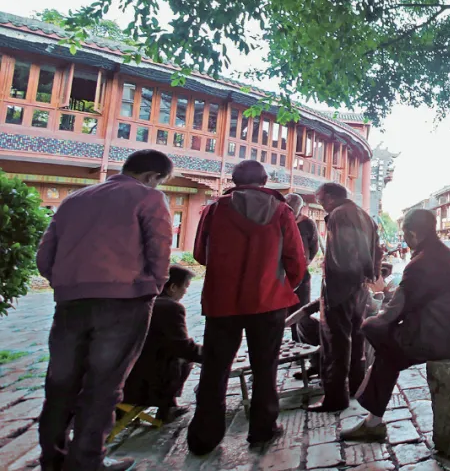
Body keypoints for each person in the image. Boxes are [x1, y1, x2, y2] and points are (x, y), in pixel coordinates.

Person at [36, 149, 174, 471]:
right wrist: (153, 285)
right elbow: (160, 249)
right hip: (124, 302)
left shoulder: (75, 199)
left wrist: (67, 283)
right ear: (152, 177)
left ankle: (52, 459)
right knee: (103, 386)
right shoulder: (149, 198)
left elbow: (45, 256)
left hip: (71, 303)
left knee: (60, 384)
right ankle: (87, 462)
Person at [187, 160, 307, 454]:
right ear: (265, 181)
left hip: (222, 301)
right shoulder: (281, 211)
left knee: (215, 368)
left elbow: (200, 254)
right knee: (265, 367)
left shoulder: (214, 209)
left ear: (234, 180)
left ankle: (204, 437)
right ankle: (263, 429)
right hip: (267, 301)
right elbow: (296, 259)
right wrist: (280, 285)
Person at [340, 209, 450, 441]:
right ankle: (372, 420)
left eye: (404, 234)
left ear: (412, 234)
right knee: (388, 351)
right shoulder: (443, 254)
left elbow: (393, 312)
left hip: (438, 339)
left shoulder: (420, 263)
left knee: (373, 331)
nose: (403, 239)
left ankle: (372, 421)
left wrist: (370, 320)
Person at [307, 183, 382, 412]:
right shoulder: (364, 215)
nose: (319, 203)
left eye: (320, 199)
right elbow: (377, 250)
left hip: (341, 287)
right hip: (360, 287)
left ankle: (335, 397)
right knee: (356, 337)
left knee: (335, 342)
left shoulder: (339, 215)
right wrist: (369, 276)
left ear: (330, 197)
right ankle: (356, 386)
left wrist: (335, 285)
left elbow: (342, 254)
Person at [123, 265, 202, 423]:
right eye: (185, 287)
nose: (185, 292)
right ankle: (167, 406)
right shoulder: (170, 307)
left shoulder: (136, 302)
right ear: (172, 287)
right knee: (184, 360)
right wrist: (214, 355)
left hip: (120, 377)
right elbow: (183, 348)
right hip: (143, 383)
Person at [285, 193, 322, 379]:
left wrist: (305, 262)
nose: (291, 209)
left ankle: (302, 350)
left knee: (301, 311)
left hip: (301, 273)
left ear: (300, 208)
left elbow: (314, 246)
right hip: (281, 274)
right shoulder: (280, 220)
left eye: (294, 206)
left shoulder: (308, 224)